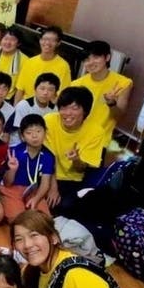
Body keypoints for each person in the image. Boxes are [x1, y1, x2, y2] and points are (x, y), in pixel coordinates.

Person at [43, 86, 105, 218]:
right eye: (64, 108)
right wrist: (53, 188)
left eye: (74, 108)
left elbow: (82, 169)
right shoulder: (49, 121)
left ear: (85, 111)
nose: (67, 113)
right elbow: (47, 158)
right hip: (48, 175)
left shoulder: (95, 131)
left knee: (67, 208)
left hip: (74, 180)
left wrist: (76, 159)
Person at [63, 40, 133, 148]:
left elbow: (119, 115)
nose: (91, 63)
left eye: (96, 57)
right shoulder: (76, 84)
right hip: (75, 138)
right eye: (87, 59)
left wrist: (111, 103)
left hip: (99, 142)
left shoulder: (123, 83)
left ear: (107, 58)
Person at [1, 114, 55, 221]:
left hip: (33, 190)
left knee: (45, 220)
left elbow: (45, 184)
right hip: (12, 189)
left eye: (38, 131)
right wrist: (13, 169)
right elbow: (7, 183)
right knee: (17, 218)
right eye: (29, 133)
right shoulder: (13, 152)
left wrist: (36, 199)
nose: (34, 136)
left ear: (45, 132)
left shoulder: (48, 156)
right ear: (22, 136)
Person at [14, 26, 72, 104]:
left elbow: (61, 96)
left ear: (58, 43)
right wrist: (16, 108)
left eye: (52, 40)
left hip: (47, 108)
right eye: (45, 39)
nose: (47, 43)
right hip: (26, 106)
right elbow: (20, 90)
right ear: (40, 40)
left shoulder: (63, 66)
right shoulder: (29, 62)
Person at [10, 72, 59, 147]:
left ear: (55, 93)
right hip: (19, 143)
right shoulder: (24, 105)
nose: (45, 93)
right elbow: (20, 130)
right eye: (42, 88)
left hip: (41, 144)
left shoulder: (54, 109)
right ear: (35, 89)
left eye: (50, 90)